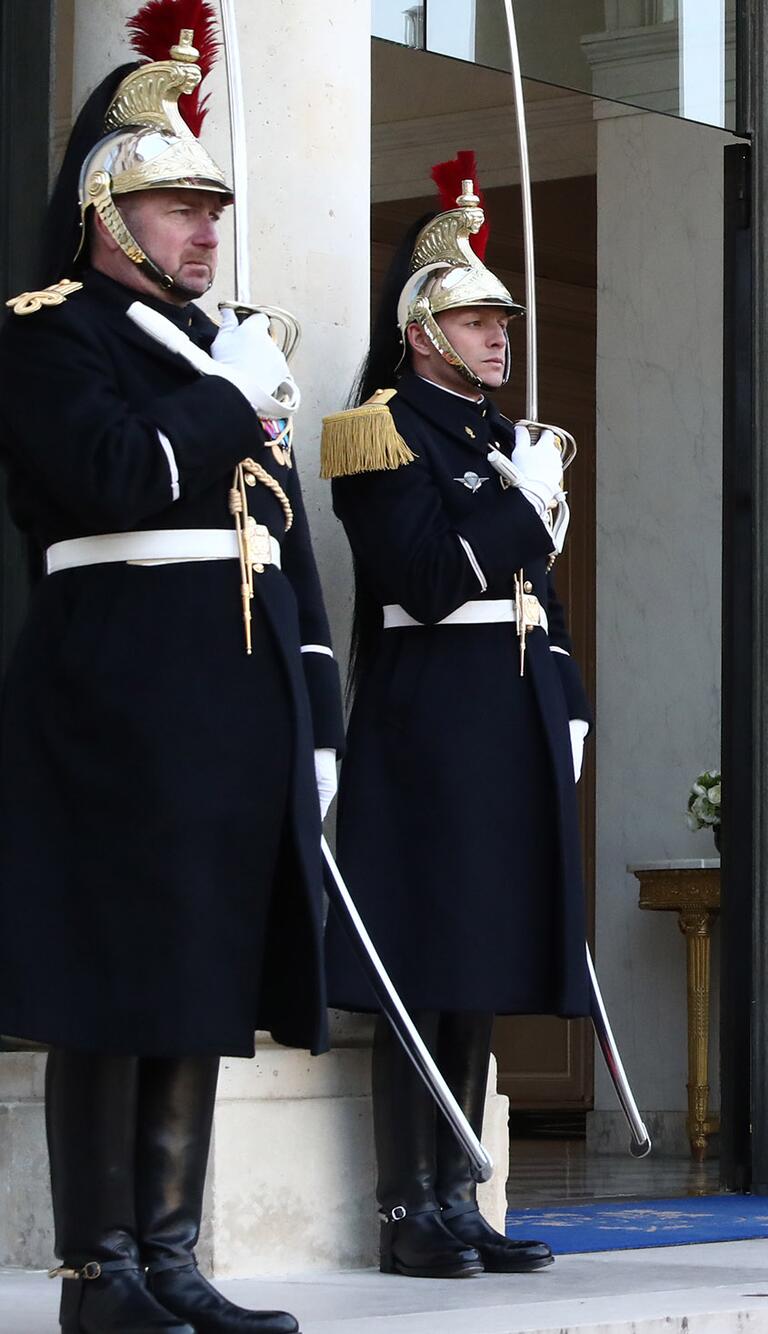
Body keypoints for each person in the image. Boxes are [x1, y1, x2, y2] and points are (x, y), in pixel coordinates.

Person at [0, 25, 335, 1334]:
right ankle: (100, 1271)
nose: (204, 233)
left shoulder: (227, 350)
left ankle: (173, 1250)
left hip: (232, 691)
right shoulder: (45, 334)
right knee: (114, 975)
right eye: (175, 207)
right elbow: (112, 474)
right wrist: (224, 394)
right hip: (113, 685)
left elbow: (282, 543)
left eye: (209, 209)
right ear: (106, 212)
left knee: (200, 974)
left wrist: (317, 707)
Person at [319, 154, 587, 1278]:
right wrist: (526, 508)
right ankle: (404, 1209)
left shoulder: (492, 436)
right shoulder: (380, 431)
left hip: (508, 715)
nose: (498, 335)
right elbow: (428, 579)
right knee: (422, 968)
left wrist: (565, 692)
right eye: (475, 318)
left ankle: (458, 1189)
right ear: (421, 328)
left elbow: (542, 598)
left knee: (476, 966)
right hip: (430, 721)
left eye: (502, 319)